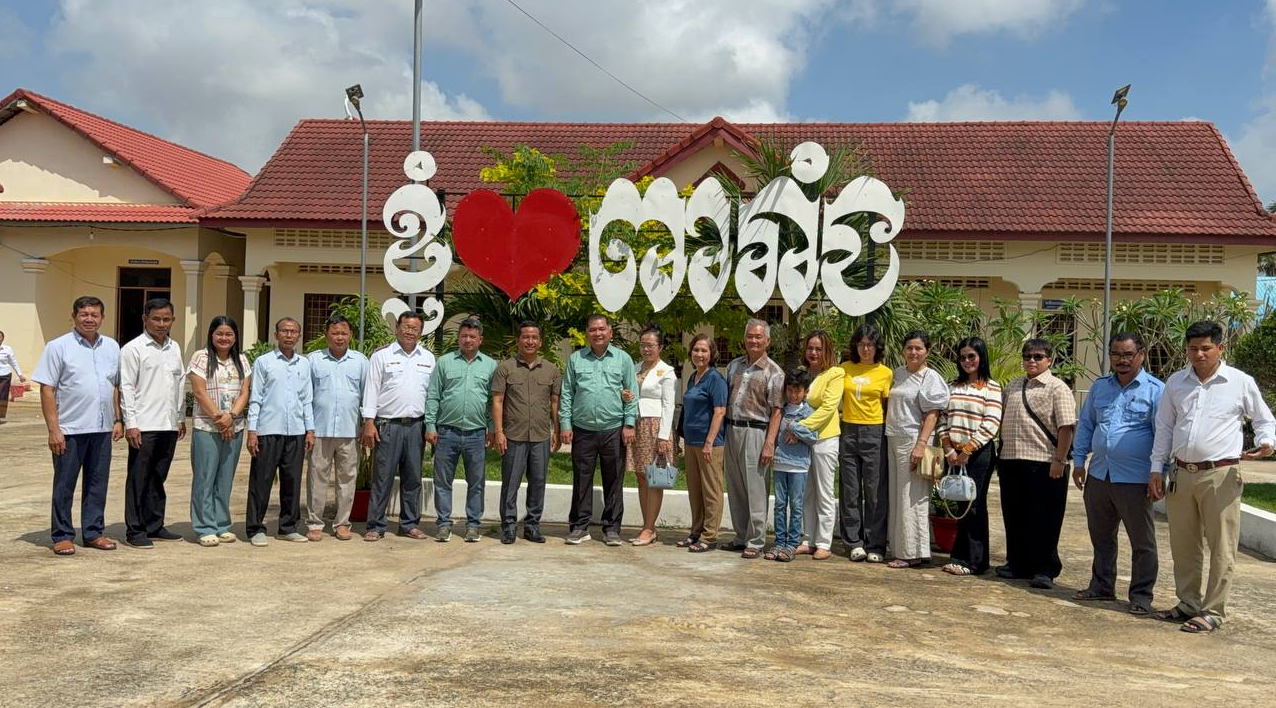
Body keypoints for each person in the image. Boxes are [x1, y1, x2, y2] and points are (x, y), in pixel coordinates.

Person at [1149, 320, 1275, 633]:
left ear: (1220, 348)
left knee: (1222, 545)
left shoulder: (1239, 382)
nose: (1199, 354)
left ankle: (1213, 610)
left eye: (1206, 348)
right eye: (1193, 349)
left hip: (1221, 474)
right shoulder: (1176, 383)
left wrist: (1266, 442)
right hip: (1181, 473)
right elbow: (1164, 427)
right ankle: (1187, 603)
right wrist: (1156, 468)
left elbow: (1264, 419)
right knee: (1183, 544)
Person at [1069, 332, 1163, 613]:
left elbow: (1163, 435)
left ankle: (1141, 596)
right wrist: (1078, 461)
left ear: (1141, 355)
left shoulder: (1156, 390)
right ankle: (1101, 586)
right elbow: (1087, 425)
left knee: (1142, 541)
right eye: (1116, 355)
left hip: (1136, 478)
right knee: (1101, 536)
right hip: (1100, 474)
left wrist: (1160, 472)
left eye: (1128, 355)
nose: (1122, 360)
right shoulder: (1100, 387)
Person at [32, 296, 123, 556]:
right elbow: (47, 389)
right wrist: (54, 430)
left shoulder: (112, 347)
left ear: (102, 318)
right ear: (73, 316)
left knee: (97, 483)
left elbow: (115, 386)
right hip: (70, 430)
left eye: (94, 314)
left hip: (102, 429)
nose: (89, 319)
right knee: (65, 484)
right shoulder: (58, 347)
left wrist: (118, 419)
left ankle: (93, 532)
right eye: (84, 314)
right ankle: (62, 535)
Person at [997, 338, 1077, 589]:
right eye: (1027, 356)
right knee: (1015, 516)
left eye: (1038, 356)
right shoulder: (1013, 386)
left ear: (1049, 360)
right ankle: (1017, 563)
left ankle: (1045, 569)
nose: (1032, 361)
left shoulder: (1058, 388)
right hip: (1011, 460)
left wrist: (1060, 460)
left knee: (1045, 519)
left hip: (1044, 462)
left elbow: (1066, 427)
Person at [560, 314, 637, 546]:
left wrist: (629, 423)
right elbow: (567, 393)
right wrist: (565, 424)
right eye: (593, 330)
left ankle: (611, 529)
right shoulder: (576, 359)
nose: (598, 333)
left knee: (614, 480)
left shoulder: (623, 359)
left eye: (602, 329)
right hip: (583, 430)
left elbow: (631, 393)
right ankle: (579, 527)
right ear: (587, 333)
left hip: (613, 429)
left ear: (610, 332)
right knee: (581, 480)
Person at [360, 311, 435, 541]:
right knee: (382, 477)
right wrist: (369, 422)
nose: (410, 332)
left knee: (413, 478)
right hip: (387, 425)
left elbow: (432, 394)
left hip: (416, 426)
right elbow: (371, 389)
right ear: (397, 328)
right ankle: (375, 526)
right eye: (406, 327)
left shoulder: (428, 358)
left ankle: (409, 524)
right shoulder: (381, 356)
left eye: (415, 328)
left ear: (421, 332)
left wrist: (431, 425)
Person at [119, 298, 187, 548]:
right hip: (144, 425)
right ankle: (135, 530)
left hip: (168, 424)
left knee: (158, 476)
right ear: (145, 319)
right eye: (156, 319)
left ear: (173, 320)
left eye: (166, 319)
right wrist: (131, 423)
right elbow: (126, 387)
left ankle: (154, 525)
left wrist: (180, 417)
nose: (161, 324)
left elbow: (179, 383)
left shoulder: (174, 347)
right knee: (139, 478)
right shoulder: (133, 349)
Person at [881, 330, 950, 569]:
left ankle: (911, 552)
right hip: (893, 438)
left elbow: (933, 413)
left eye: (918, 348)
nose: (913, 352)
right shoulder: (898, 373)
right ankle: (901, 548)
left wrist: (921, 444)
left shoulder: (930, 377)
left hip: (914, 440)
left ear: (927, 351)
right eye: (909, 348)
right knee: (897, 496)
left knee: (911, 496)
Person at [245, 317, 315, 547]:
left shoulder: (304, 364)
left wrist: (310, 429)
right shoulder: (264, 362)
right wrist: (252, 430)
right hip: (268, 429)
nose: (289, 335)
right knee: (261, 480)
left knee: (292, 481)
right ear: (276, 335)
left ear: (299, 336)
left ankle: (288, 527)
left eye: (293, 331)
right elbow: (255, 398)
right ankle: (255, 528)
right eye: (284, 331)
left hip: (296, 431)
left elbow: (307, 399)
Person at [426, 317, 497, 543]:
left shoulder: (490, 365)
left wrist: (492, 428)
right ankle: (443, 524)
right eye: (464, 336)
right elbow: (433, 395)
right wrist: (430, 425)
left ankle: (473, 525)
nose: (468, 340)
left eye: (472, 336)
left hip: (477, 434)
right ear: (458, 338)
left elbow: (493, 401)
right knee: (442, 481)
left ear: (480, 339)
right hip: (447, 432)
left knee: (476, 482)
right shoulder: (445, 362)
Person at [938, 336, 1003, 576]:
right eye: (963, 357)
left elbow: (991, 422)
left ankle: (975, 561)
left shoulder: (991, 387)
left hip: (978, 454)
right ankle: (959, 556)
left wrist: (968, 450)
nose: (967, 361)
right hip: (953, 453)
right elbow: (943, 418)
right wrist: (948, 448)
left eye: (971, 356)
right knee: (960, 502)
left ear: (981, 357)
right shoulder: (952, 386)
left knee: (974, 505)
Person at [492, 320, 561, 544]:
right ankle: (509, 526)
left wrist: (556, 429)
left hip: (541, 436)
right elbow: (498, 401)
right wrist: (499, 432)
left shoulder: (551, 370)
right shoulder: (505, 368)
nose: (530, 341)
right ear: (518, 340)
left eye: (534, 337)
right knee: (510, 483)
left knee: (538, 482)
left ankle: (532, 526)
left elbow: (554, 402)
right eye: (525, 337)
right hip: (513, 436)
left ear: (540, 342)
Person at [723, 318, 784, 559]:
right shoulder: (733, 366)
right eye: (750, 336)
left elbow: (777, 410)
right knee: (736, 486)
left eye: (758, 337)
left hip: (756, 432)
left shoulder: (774, 372)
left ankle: (756, 541)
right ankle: (741, 536)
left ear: (767, 340)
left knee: (756, 488)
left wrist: (769, 443)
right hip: (732, 429)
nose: (754, 340)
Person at [187, 315, 250, 547]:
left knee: (225, 479)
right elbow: (199, 392)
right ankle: (204, 527)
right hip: (207, 427)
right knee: (205, 478)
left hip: (235, 426)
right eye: (219, 334)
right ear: (211, 335)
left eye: (229, 334)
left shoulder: (242, 359)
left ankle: (222, 524)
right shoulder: (201, 357)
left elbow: (244, 392)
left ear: (235, 337)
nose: (224, 338)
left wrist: (231, 417)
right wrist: (220, 419)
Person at [306, 315, 368, 542]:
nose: (339, 337)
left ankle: (342, 524)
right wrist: (308, 429)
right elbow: (306, 396)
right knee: (317, 478)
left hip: (350, 430)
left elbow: (367, 395)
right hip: (320, 430)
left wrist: (366, 424)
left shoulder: (360, 361)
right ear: (326, 335)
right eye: (335, 333)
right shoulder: (314, 360)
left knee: (347, 479)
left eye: (343, 333)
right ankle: (315, 524)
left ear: (350, 335)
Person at [837, 324, 893, 562]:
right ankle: (853, 542)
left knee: (875, 491)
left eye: (870, 344)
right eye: (861, 344)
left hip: (875, 431)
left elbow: (888, 407)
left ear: (877, 347)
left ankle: (875, 545)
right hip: (848, 430)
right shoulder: (844, 369)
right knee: (849, 490)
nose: (865, 349)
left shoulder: (885, 373)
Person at [792, 330, 844, 561]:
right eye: (810, 348)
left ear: (827, 351)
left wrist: (798, 427)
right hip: (803, 441)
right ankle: (808, 539)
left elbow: (828, 408)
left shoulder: (835, 374)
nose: (813, 353)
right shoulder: (802, 373)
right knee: (806, 491)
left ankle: (823, 542)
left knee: (824, 492)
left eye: (818, 349)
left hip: (825, 439)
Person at [624, 325, 677, 546]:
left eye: (650, 345)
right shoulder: (635, 368)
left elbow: (669, 405)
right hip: (636, 424)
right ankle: (648, 526)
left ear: (660, 347)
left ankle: (648, 528)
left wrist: (663, 436)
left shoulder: (667, 372)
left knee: (654, 477)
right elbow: (631, 393)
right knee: (641, 476)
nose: (646, 349)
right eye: (643, 345)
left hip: (655, 428)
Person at [676, 334, 727, 553]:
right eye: (696, 350)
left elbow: (720, 411)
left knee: (711, 491)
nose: (699, 354)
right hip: (691, 442)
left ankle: (709, 536)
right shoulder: (693, 377)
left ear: (712, 354)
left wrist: (708, 442)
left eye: (704, 350)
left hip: (710, 444)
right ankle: (696, 531)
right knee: (695, 490)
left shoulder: (715, 379)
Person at [768, 369, 820, 562]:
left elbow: (813, 437)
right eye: (789, 390)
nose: (793, 395)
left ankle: (792, 544)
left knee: (796, 505)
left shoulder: (808, 412)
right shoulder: (780, 410)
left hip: (799, 466)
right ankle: (779, 542)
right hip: (779, 463)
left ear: (806, 392)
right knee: (779, 505)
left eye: (797, 391)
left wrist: (795, 429)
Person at [0, 329, 27, 423]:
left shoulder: (7, 349)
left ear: (3, 338)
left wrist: (20, 374)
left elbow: (13, 362)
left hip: (5, 375)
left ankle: (0, 415)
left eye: (0, 337)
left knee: (2, 396)